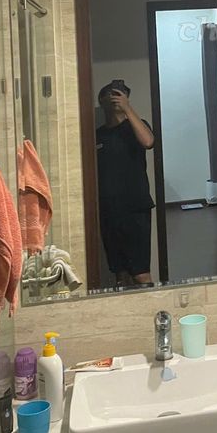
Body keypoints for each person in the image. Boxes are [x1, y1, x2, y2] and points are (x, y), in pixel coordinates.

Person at [95, 79, 155, 287]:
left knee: (140, 273)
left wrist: (127, 108)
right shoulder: (97, 135)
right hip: (107, 212)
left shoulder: (136, 126)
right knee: (120, 274)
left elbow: (148, 142)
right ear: (101, 101)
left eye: (119, 95)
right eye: (110, 94)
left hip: (135, 209)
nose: (115, 98)